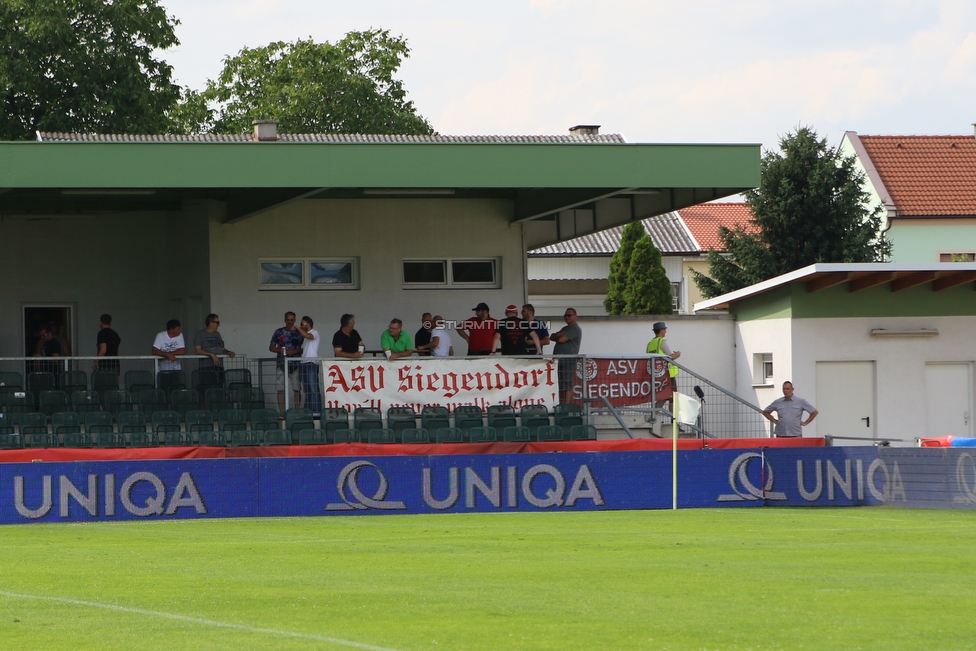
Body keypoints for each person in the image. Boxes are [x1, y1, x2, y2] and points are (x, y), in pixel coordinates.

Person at [270, 312, 304, 414]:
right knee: (280, 390)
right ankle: (282, 413)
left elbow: (305, 349)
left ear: (295, 320)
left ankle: (297, 413)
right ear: (285, 320)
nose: (290, 322)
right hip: (281, 364)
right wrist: (280, 350)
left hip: (295, 364)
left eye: (292, 320)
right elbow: (271, 347)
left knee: (296, 389)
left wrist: (295, 351)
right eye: (288, 320)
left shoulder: (299, 332)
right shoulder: (278, 332)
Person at [193, 314, 236, 384]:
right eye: (217, 323)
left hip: (219, 367)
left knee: (219, 388)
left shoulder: (217, 334)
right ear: (211, 323)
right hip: (206, 367)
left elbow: (222, 349)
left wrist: (228, 352)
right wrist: (211, 354)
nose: (219, 325)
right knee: (207, 389)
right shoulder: (200, 334)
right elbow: (198, 350)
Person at [551, 308, 582, 404]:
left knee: (567, 384)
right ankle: (561, 404)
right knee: (560, 384)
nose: (567, 317)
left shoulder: (575, 329)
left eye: (569, 315)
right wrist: (558, 335)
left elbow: (561, 340)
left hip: (568, 360)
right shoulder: (565, 328)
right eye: (565, 315)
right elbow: (551, 337)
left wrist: (558, 336)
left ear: (575, 316)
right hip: (559, 360)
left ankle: (566, 406)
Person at [296, 316, 322, 414]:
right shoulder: (305, 337)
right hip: (304, 363)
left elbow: (308, 336)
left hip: (311, 363)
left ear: (308, 324)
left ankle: (316, 411)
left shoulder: (314, 332)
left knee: (313, 388)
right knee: (307, 390)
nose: (301, 326)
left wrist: (298, 328)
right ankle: (308, 411)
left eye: (303, 324)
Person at [646, 321, 680, 391]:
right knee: (672, 397)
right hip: (668, 374)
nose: (666, 331)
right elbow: (672, 357)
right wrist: (677, 354)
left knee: (661, 396)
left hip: (656, 375)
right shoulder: (663, 341)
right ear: (661, 330)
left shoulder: (650, 344)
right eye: (664, 329)